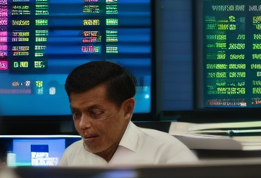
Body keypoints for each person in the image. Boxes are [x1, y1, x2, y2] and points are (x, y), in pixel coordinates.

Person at [58, 61, 197, 166]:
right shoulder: (71, 156)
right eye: (76, 114)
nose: (82, 125)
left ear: (127, 109)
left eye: (95, 112)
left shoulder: (167, 154)